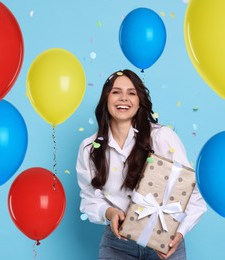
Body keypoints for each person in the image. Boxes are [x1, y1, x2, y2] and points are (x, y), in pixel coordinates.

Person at [76, 69, 207, 259]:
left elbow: (193, 191)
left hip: (164, 242)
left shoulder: (161, 137)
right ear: (105, 98)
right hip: (117, 246)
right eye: (116, 92)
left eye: (131, 93)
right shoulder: (89, 148)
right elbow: (89, 198)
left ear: (140, 102)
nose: (123, 98)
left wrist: (179, 233)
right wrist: (110, 212)